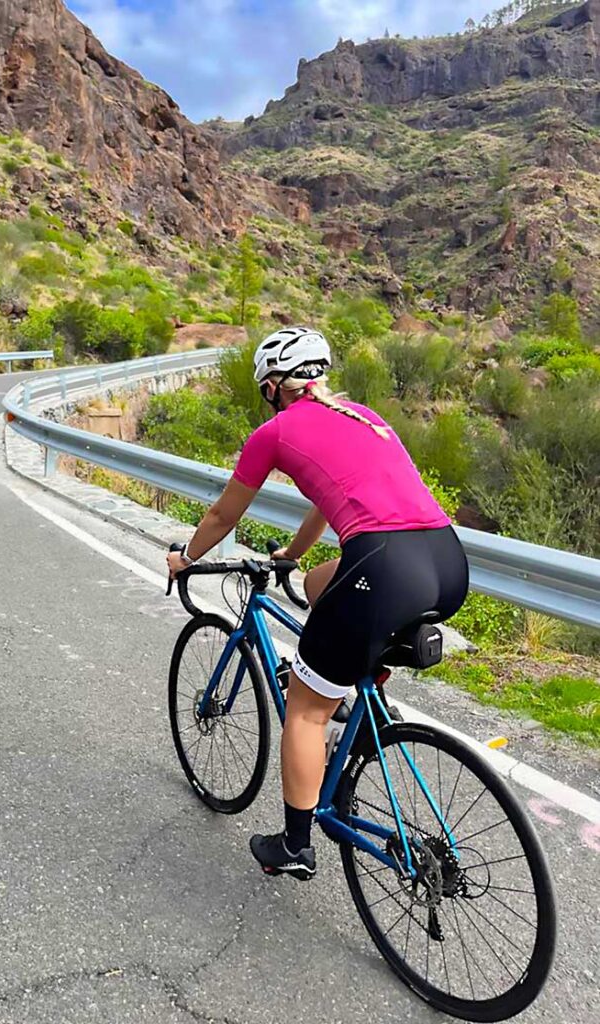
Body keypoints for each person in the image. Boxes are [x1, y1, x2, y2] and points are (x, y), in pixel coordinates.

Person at [167, 326, 469, 880]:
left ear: (274, 385)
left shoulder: (276, 432)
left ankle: (295, 844)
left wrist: (185, 557)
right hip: (446, 562)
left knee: (305, 710)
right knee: (314, 586)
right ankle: (360, 698)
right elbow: (336, 497)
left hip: (381, 567)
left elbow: (222, 517)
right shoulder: (364, 416)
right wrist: (293, 553)